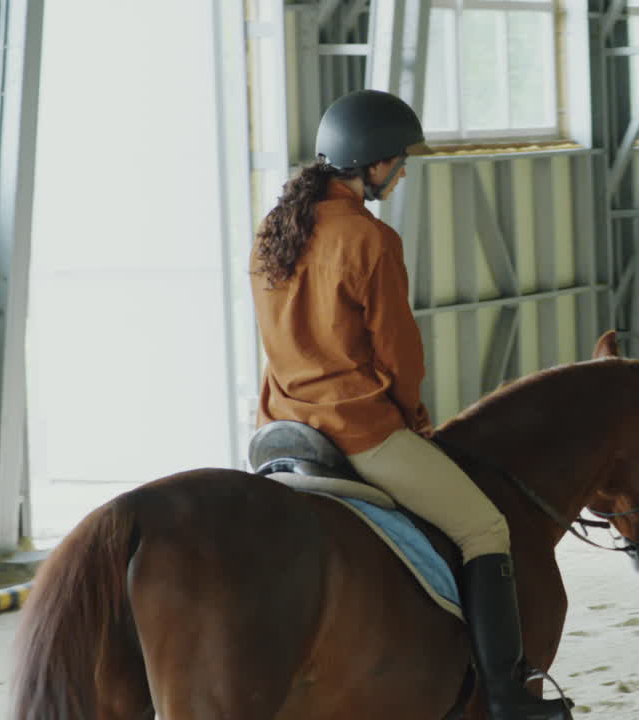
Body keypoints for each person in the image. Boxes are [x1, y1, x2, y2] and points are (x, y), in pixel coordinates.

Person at [250, 89, 571, 720]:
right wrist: (414, 420)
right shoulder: (370, 238)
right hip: (356, 429)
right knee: (486, 529)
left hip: (280, 427)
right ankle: (506, 695)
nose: (401, 171)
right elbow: (398, 352)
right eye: (398, 160)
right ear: (370, 163)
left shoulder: (273, 231)